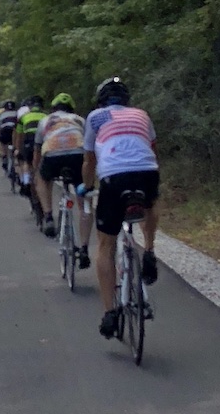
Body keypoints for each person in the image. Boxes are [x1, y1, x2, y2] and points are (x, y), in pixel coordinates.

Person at [79, 76, 160, 339]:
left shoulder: (96, 117)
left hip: (114, 177)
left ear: (101, 100)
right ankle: (149, 250)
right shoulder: (141, 114)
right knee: (151, 201)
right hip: (146, 172)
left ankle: (109, 312)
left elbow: (90, 159)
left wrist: (87, 186)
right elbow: (152, 148)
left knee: (106, 245)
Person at [33, 93, 92, 269]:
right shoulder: (80, 120)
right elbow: (90, 147)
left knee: (42, 178)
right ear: (71, 108)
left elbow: (37, 151)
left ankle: (48, 216)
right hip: (77, 156)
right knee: (84, 202)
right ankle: (84, 248)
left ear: (53, 109)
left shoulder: (45, 121)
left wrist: (37, 171)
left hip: (52, 156)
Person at [14, 95, 47, 198]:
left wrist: (17, 149)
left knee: (26, 162)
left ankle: (26, 181)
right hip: (42, 144)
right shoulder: (46, 117)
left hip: (29, 143)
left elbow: (19, 136)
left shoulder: (24, 117)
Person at [0, 100, 17, 171]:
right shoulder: (17, 114)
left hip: (5, 131)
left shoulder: (1, 115)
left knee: (1, 142)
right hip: (14, 132)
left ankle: (4, 155)